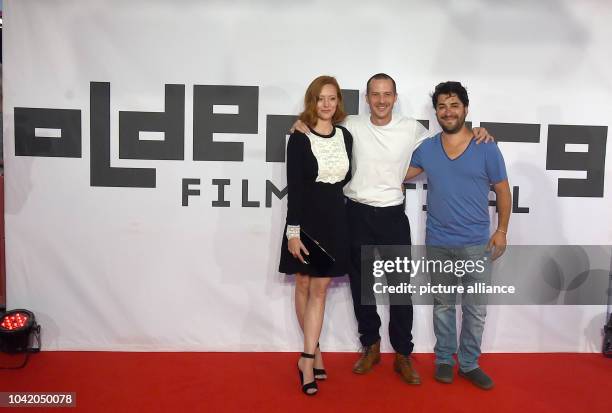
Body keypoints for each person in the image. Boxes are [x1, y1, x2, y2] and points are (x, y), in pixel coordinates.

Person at [294, 73, 493, 385]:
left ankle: (402, 353)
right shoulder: (351, 126)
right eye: (375, 94)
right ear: (367, 98)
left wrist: (479, 131)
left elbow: (449, 142)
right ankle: (370, 345)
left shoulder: (413, 129)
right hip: (356, 213)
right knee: (363, 288)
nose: (382, 100)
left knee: (400, 289)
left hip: (393, 216)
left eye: (387, 94)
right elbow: (320, 130)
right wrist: (300, 125)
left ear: (395, 97)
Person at [406, 81, 511, 389]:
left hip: (477, 245)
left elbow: (503, 192)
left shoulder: (486, 146)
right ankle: (443, 360)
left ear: (465, 109)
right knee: (443, 306)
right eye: (442, 106)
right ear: (436, 112)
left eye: (454, 105)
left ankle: (468, 364)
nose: (448, 111)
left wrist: (502, 230)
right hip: (438, 243)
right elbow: (393, 173)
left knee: (475, 311)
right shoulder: (427, 148)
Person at [279, 75, 353, 395]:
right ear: (313, 101)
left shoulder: (346, 136)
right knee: (304, 283)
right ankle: (316, 349)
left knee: (319, 289)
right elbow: (294, 188)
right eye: (321, 98)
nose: (327, 104)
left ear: (338, 102)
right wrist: (293, 233)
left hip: (335, 219)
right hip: (305, 221)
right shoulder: (299, 137)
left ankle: (306, 358)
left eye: (332, 98)